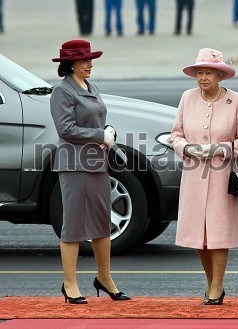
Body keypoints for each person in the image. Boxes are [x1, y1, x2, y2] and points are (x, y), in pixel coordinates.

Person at [169, 48, 238, 305]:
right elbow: (175, 135)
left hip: (222, 174)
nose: (203, 77)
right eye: (200, 72)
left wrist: (222, 149)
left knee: (218, 232)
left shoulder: (237, 101)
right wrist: (187, 148)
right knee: (198, 234)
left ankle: (217, 285)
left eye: (209, 73)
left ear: (220, 75)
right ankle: (210, 282)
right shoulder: (188, 97)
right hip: (194, 173)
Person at [50, 39, 131, 304]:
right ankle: (69, 284)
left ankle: (105, 278)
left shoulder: (89, 86)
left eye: (90, 59)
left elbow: (95, 118)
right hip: (74, 164)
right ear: (70, 64)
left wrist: (108, 132)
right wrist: (100, 134)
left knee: (101, 223)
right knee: (73, 225)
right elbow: (66, 129)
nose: (90, 64)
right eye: (85, 60)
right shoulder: (62, 91)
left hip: (97, 163)